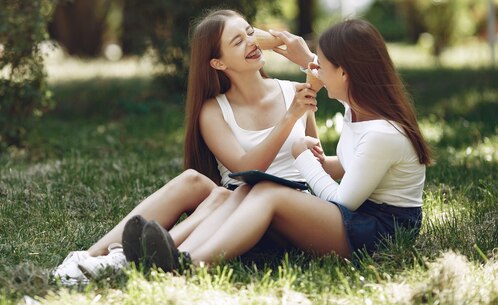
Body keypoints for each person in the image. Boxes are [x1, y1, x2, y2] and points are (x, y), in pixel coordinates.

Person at [125, 18, 431, 270]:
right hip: (361, 215)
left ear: (344, 73)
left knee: (269, 192)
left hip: (380, 231)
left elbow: (341, 202)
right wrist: (306, 58)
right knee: (255, 189)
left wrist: (304, 158)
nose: (316, 73)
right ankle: (168, 254)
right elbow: (355, 166)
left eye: (322, 66)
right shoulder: (357, 110)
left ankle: (187, 264)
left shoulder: (381, 133)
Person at [52, 9, 318, 285]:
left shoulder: (295, 93)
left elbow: (316, 159)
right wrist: (290, 118)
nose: (250, 42)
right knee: (194, 182)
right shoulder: (213, 111)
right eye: (237, 42)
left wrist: (309, 63)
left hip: (281, 212)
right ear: (217, 63)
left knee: (224, 197)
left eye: (250, 33)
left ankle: (131, 258)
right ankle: (89, 258)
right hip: (229, 212)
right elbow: (245, 170)